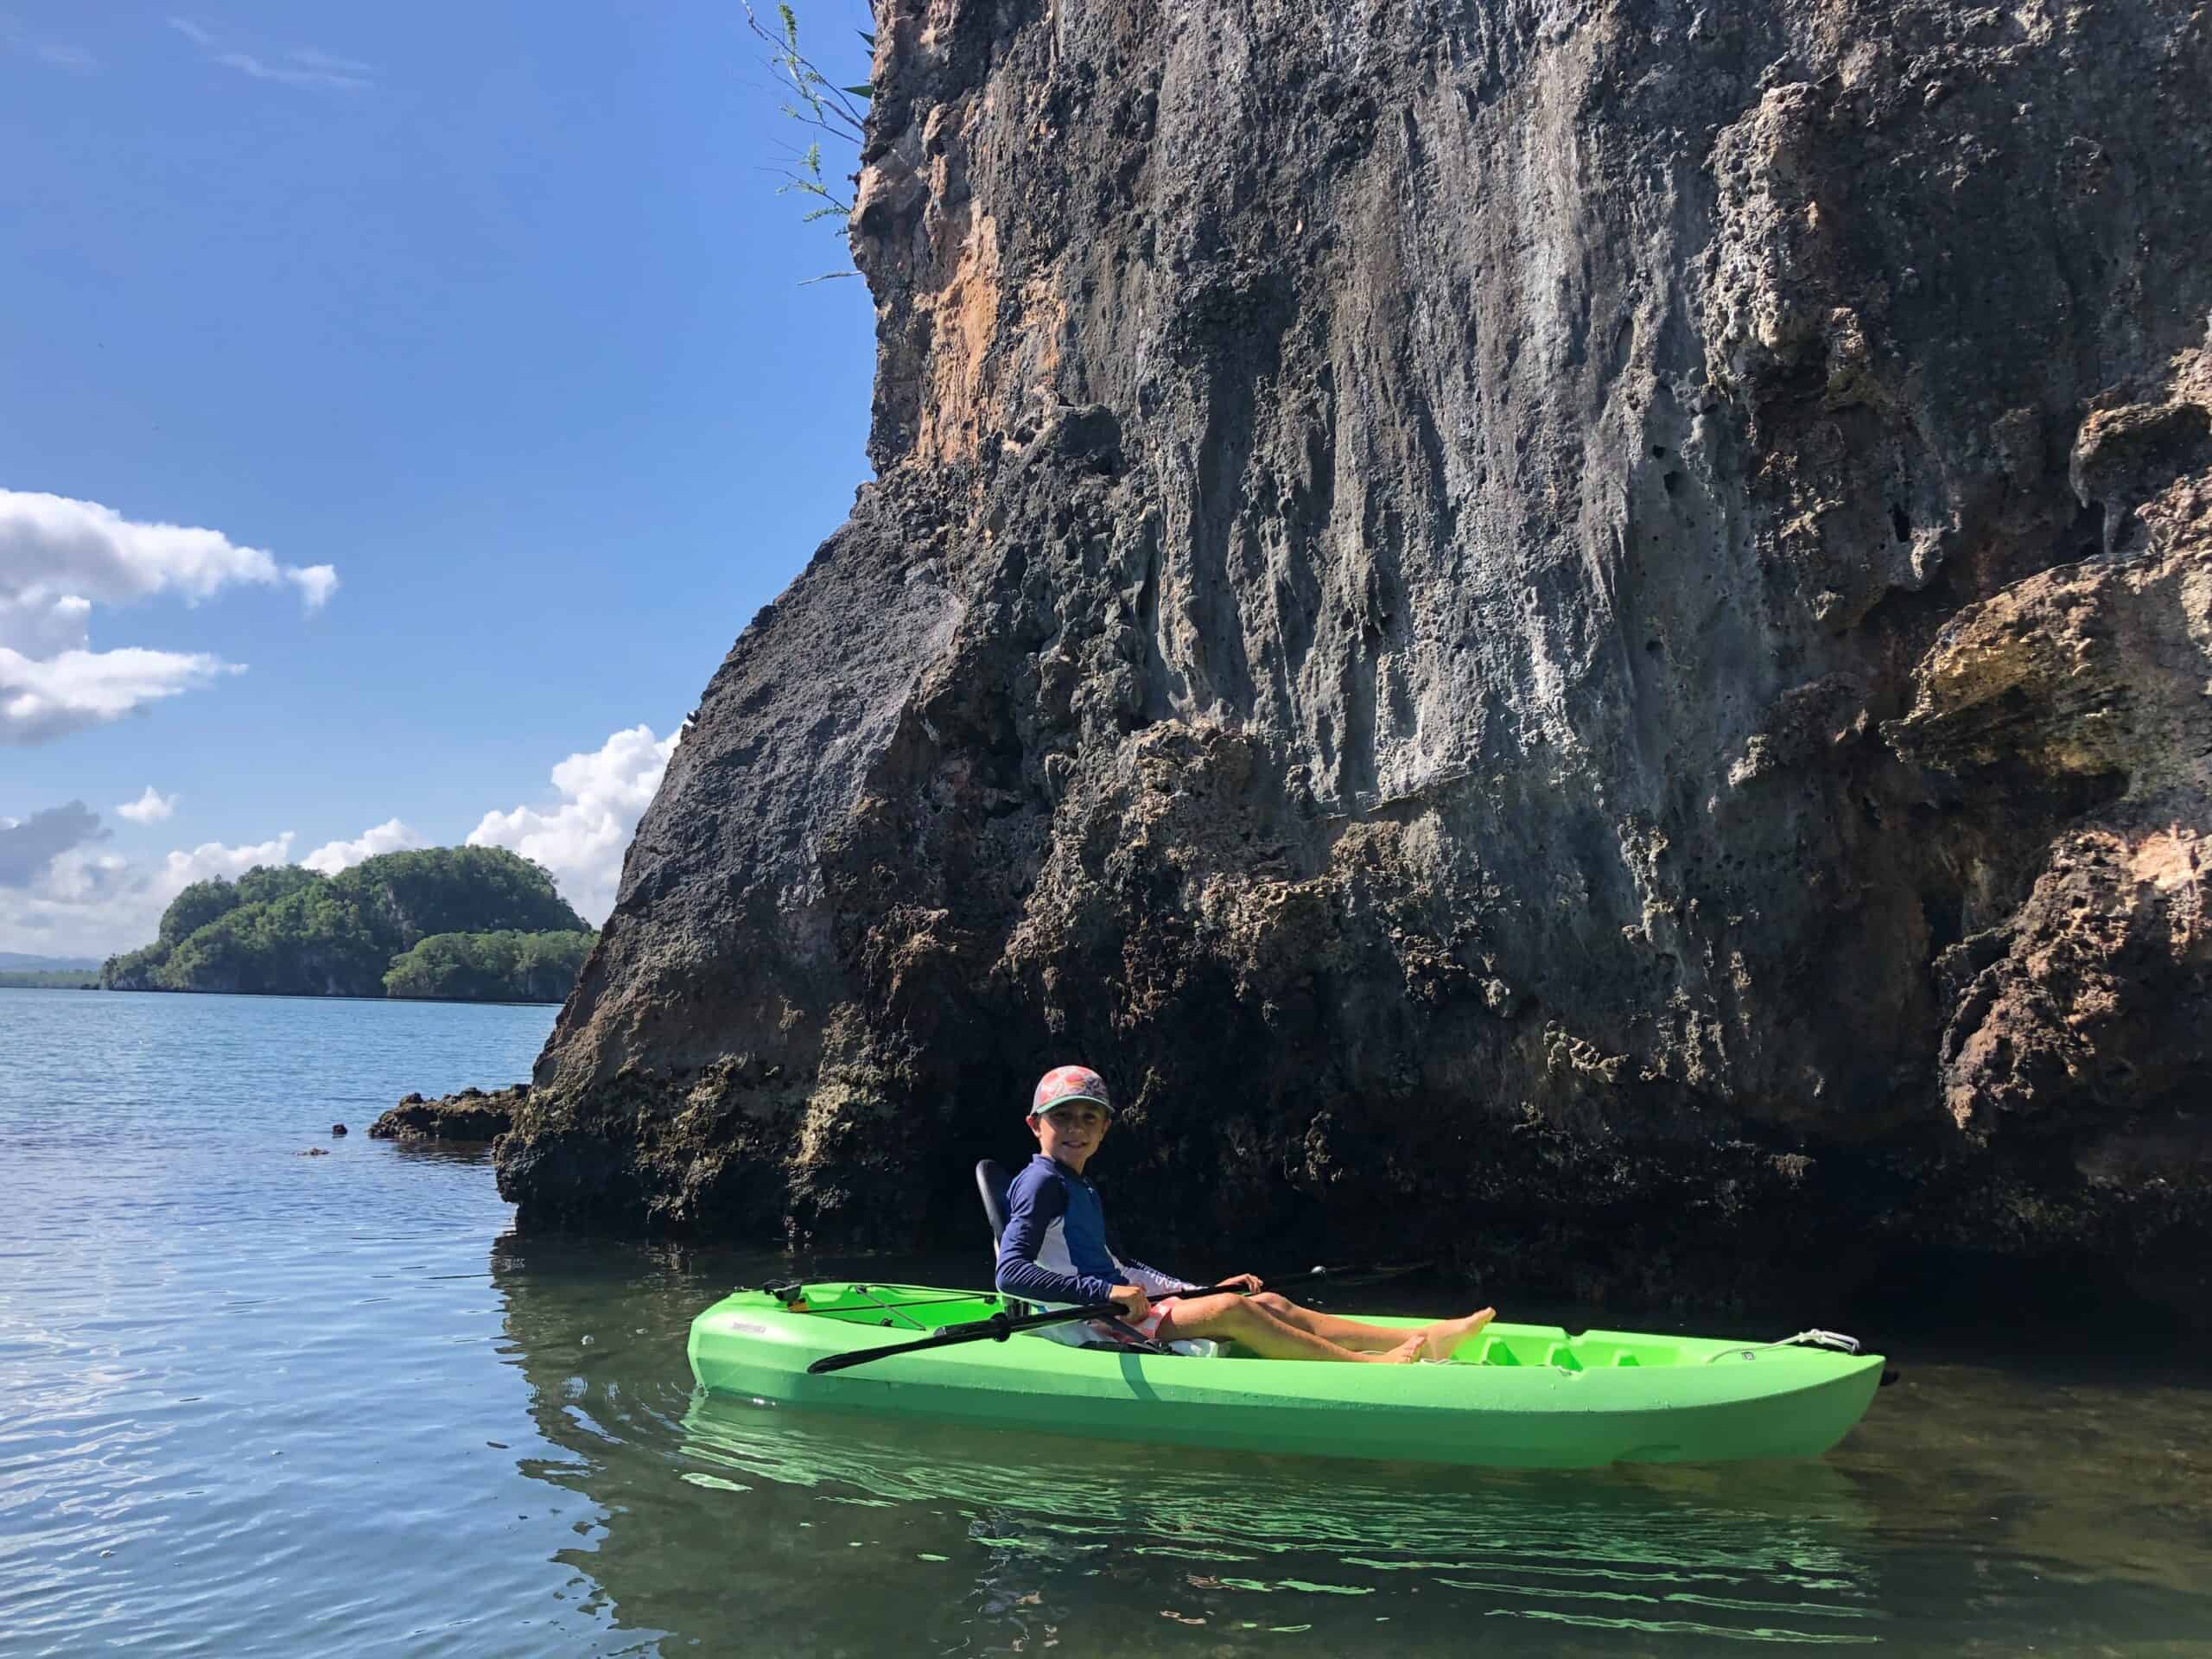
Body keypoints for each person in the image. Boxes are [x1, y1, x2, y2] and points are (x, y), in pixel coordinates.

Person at [995, 1065, 1496, 1363]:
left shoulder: (1078, 1184)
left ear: (1105, 1129)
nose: (1076, 1129)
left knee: (1268, 1304)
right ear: (1034, 1125)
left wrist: (1201, 1291)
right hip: (1084, 1320)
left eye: (1089, 1117)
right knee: (1235, 1313)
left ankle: (1423, 1339)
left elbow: (1121, 1270)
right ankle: (1370, 1367)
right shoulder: (1042, 1181)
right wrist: (1107, 1294)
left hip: (1117, 1306)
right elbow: (1011, 1272)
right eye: (1062, 1117)